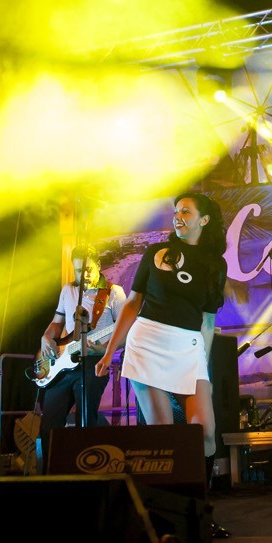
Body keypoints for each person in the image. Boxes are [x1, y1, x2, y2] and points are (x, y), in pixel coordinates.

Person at [96, 192, 229, 461]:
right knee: (164, 434)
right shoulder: (157, 253)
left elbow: (207, 321)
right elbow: (132, 303)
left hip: (188, 348)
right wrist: (109, 352)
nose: (178, 217)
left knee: (205, 432)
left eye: (186, 212)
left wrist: (203, 369)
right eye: (176, 211)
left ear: (204, 220)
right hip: (147, 343)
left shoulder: (216, 264)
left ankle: (198, 479)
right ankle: (171, 485)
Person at [35, 246, 127, 453]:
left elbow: (125, 331)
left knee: (85, 423)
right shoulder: (68, 290)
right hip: (63, 364)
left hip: (93, 363)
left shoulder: (114, 292)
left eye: (88, 269)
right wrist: (46, 337)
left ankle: (85, 465)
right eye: (79, 270)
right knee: (49, 424)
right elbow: (57, 323)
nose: (84, 275)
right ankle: (52, 469)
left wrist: (103, 350)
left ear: (99, 266)